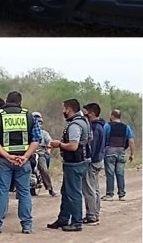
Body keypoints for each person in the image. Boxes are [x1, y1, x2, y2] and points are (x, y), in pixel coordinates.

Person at [0, 91, 40, 234]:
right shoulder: (29, 116)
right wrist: (25, 157)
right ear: (20, 102)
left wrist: (7, 156)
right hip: (23, 161)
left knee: (2, 192)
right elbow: (37, 139)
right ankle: (27, 226)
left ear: (7, 100)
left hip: (3, 160)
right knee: (24, 192)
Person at [47, 99, 91, 232]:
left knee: (73, 193)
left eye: (63, 108)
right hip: (79, 162)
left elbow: (73, 146)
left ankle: (76, 222)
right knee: (66, 192)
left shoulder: (74, 125)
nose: (62, 111)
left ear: (69, 109)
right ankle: (63, 219)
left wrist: (58, 144)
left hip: (74, 163)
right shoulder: (84, 122)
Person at [101, 109, 135, 201]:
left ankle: (109, 195)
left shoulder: (107, 126)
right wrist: (132, 154)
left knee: (110, 173)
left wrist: (101, 151)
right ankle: (121, 194)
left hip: (109, 152)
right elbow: (131, 141)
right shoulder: (126, 127)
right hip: (121, 151)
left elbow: (103, 139)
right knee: (120, 173)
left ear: (112, 116)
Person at [82, 103, 106, 224]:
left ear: (91, 113)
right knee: (95, 188)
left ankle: (91, 215)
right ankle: (95, 213)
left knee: (89, 189)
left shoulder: (95, 128)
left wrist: (87, 158)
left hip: (92, 161)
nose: (84, 114)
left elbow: (92, 146)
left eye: (85, 111)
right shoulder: (102, 126)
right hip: (99, 160)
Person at [32, 112, 57, 196]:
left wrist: (48, 149)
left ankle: (50, 188)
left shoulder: (44, 133)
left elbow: (50, 142)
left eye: (39, 122)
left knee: (44, 169)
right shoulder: (28, 132)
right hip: (29, 154)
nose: (38, 124)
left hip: (40, 154)